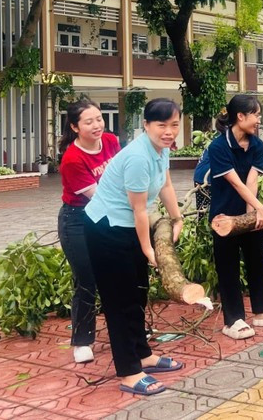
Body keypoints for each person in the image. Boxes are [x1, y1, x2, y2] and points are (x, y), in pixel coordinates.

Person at [84, 98, 185, 396]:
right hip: (106, 229)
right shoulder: (139, 157)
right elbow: (140, 210)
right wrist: (148, 249)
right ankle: (129, 372)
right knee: (120, 302)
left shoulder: (161, 150)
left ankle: (143, 354)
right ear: (146, 125)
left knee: (138, 293)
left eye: (174, 125)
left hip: (127, 226)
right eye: (162, 125)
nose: (169, 131)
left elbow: (165, 186)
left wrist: (177, 218)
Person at [207, 95, 263, 339]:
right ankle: (233, 320)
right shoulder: (218, 147)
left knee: (257, 261)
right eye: (255, 114)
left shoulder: (256, 144)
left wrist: (251, 214)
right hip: (223, 217)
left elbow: (251, 181)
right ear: (240, 116)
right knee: (228, 268)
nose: (258, 120)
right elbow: (236, 183)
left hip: (247, 212)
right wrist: (259, 208)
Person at [57, 99, 120, 364]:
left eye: (99, 118)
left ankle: (124, 330)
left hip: (108, 214)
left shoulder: (111, 141)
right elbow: (98, 196)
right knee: (86, 280)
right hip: (78, 220)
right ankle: (82, 341)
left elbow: (121, 174)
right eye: (88, 121)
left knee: (117, 274)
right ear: (74, 127)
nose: (96, 125)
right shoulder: (72, 159)